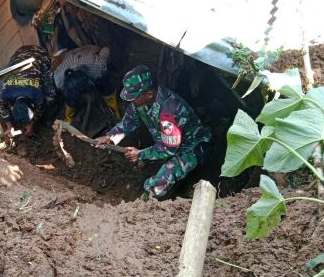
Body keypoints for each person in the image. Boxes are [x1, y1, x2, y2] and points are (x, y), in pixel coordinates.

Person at [95, 65, 211, 198]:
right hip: (167, 143)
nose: (132, 100)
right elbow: (129, 121)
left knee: (157, 186)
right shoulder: (141, 101)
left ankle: (143, 206)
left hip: (191, 147)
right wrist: (109, 137)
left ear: (149, 94)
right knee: (154, 156)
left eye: (134, 97)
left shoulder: (170, 112)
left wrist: (140, 154)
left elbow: (169, 148)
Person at [0, 45, 57, 137]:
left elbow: (38, 110)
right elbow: (3, 109)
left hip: (40, 55)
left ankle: (49, 118)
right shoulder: (4, 95)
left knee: (51, 96)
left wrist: (32, 124)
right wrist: (9, 127)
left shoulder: (37, 95)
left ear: (32, 105)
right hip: (19, 53)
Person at [53, 45, 120, 123]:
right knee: (71, 98)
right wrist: (71, 101)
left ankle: (113, 106)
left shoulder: (98, 66)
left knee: (103, 82)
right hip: (71, 55)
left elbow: (106, 49)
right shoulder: (58, 80)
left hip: (88, 50)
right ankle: (69, 117)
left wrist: (107, 62)